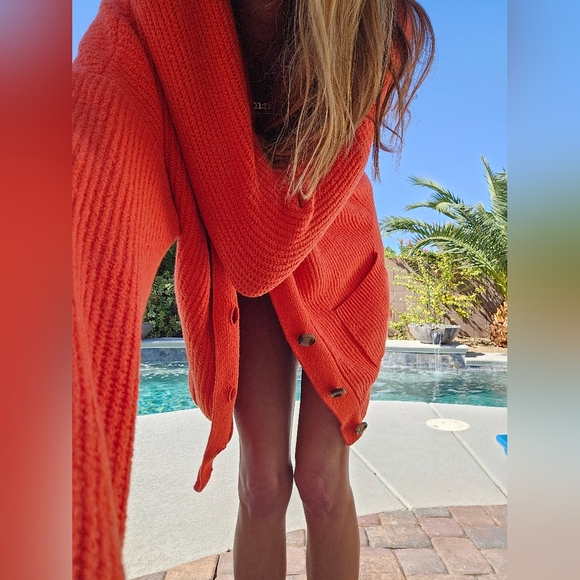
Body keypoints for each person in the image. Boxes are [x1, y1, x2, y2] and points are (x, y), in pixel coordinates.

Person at [72, 1, 434, 579]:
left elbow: (270, 238)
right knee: (261, 484)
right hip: (243, 265)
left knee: (321, 479)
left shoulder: (373, 19)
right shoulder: (160, 13)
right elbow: (97, 138)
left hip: (338, 254)